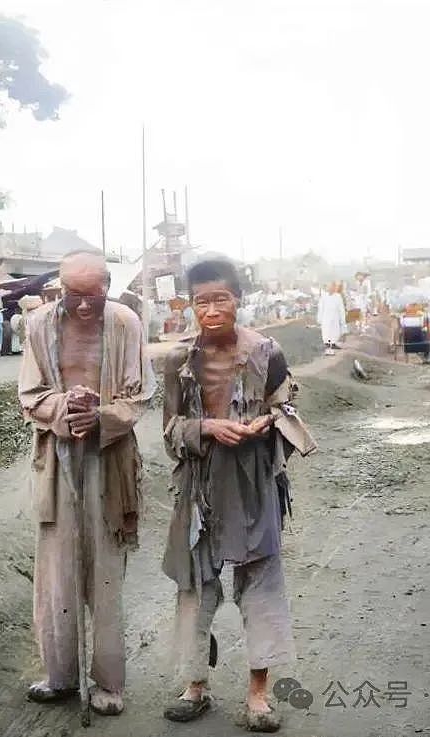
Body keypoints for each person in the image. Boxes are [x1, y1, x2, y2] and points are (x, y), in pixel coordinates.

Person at [161, 259, 316, 733]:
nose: (211, 310)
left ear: (238, 300)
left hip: (253, 482)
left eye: (220, 299)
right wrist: (206, 426)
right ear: (190, 305)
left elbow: (286, 408)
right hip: (199, 486)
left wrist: (265, 424)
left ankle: (258, 694)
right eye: (201, 301)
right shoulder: (179, 361)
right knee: (194, 585)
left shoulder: (267, 353)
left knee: (261, 584)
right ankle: (195, 686)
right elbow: (169, 431)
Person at [18, 250, 155, 716]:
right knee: (57, 571)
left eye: (92, 296)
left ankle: (109, 683)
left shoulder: (125, 323)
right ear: (60, 288)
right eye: (73, 295)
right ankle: (59, 676)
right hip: (57, 457)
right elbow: (29, 395)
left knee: (105, 571)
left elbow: (141, 396)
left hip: (109, 456)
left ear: (108, 286)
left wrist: (100, 415)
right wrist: (64, 408)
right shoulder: (37, 326)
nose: (82, 307)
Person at [316, 282, 346, 354]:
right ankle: (328, 347)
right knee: (327, 333)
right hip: (326, 318)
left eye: (333, 287)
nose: (331, 288)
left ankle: (332, 345)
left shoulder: (338, 296)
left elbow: (341, 309)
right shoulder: (323, 297)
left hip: (335, 318)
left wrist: (342, 319)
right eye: (329, 287)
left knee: (335, 333)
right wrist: (319, 318)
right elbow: (321, 308)